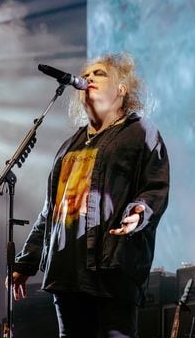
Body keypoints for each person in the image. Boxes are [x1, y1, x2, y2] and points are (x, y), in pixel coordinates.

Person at [10, 52, 169, 338]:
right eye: (87, 74)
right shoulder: (70, 145)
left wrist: (139, 213)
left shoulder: (140, 132)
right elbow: (52, 210)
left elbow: (155, 187)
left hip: (112, 269)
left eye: (100, 73)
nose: (88, 78)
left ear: (122, 89)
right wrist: (26, 262)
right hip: (66, 271)